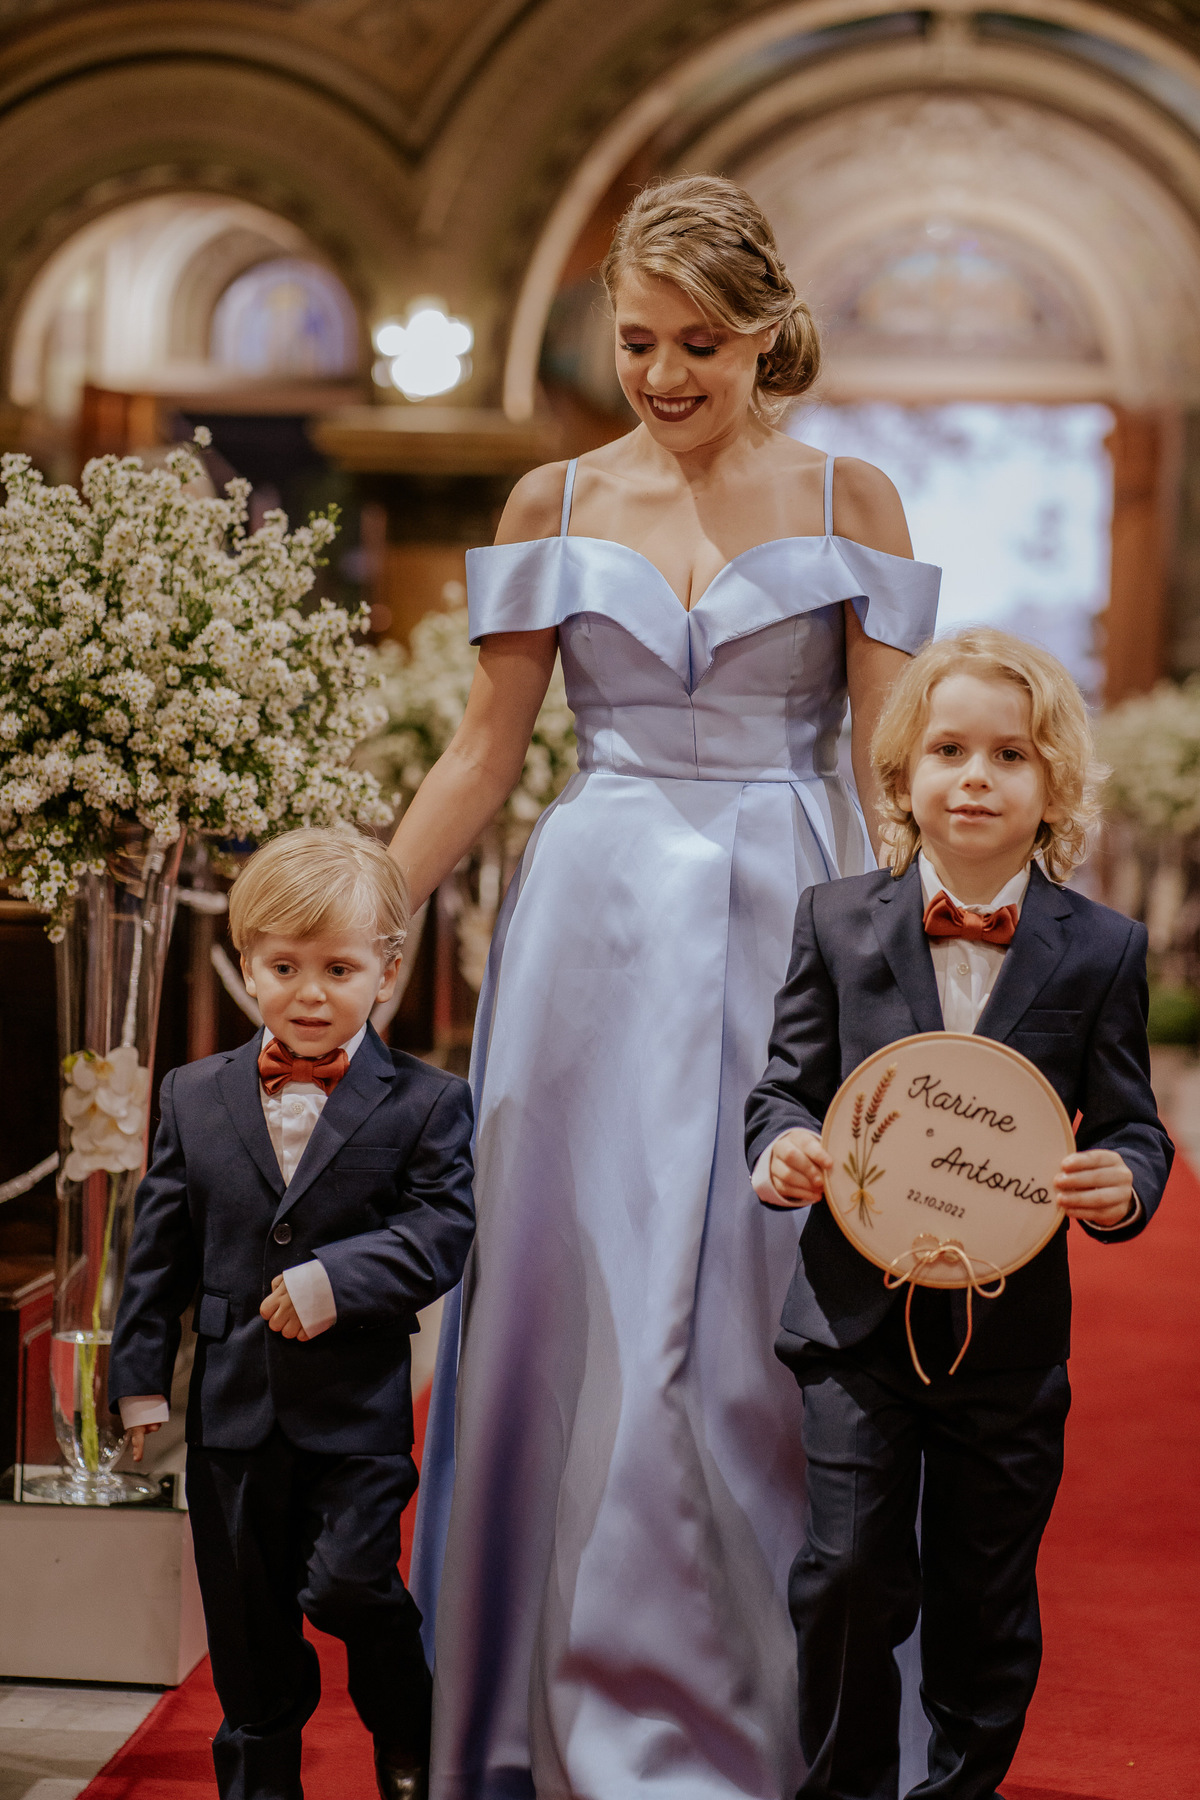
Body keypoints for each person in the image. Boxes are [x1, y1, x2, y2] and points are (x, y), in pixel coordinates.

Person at [392, 174, 940, 1799]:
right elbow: (486, 754)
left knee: (764, 1309)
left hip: (793, 907)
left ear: (769, 333)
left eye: (700, 342)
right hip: (595, 924)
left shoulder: (858, 494)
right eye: (639, 341)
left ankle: (769, 1724)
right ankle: (546, 1705)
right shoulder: (549, 504)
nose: (665, 373)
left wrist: (958, 961)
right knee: (584, 1292)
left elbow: (894, 764)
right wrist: (371, 905)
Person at [745, 627, 1174, 1800]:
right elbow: (786, 1084)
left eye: (1010, 755)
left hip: (1010, 1339)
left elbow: (1134, 1126)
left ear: (1056, 789)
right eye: (948, 749)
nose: (975, 776)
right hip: (854, 1326)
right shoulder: (836, 922)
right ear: (902, 777)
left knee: (985, 1594)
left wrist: (1126, 1180)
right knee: (843, 1575)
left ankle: (961, 1787)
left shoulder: (1101, 950)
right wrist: (781, 1144)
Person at [109, 827, 475, 1800]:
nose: (311, 992)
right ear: (245, 967)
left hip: (353, 1413)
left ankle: (405, 1732)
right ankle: (259, 1782)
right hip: (231, 1417)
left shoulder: (428, 1104)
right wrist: (141, 1382)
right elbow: (158, 1255)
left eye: (340, 968)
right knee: (248, 1628)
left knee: (349, 1584)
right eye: (285, 966)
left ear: (388, 972)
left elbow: (443, 1229)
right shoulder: (192, 1094)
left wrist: (336, 1281)